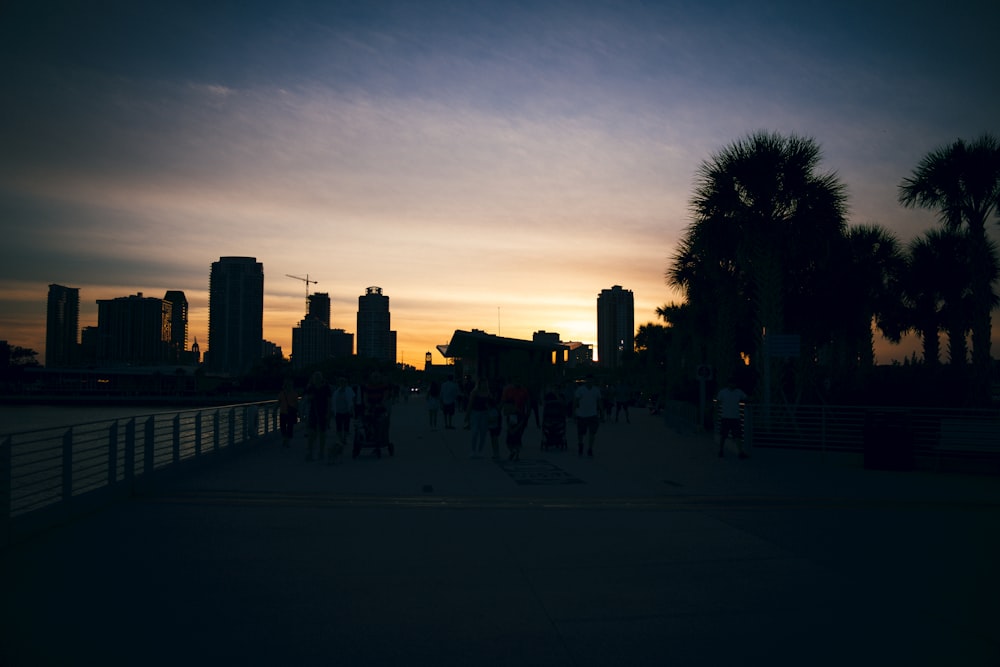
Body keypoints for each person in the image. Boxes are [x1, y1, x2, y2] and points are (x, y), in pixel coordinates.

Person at [716, 379, 749, 459]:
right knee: (723, 435)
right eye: (731, 383)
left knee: (737, 436)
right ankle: (721, 450)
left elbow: (746, 398)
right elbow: (718, 402)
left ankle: (740, 452)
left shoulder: (739, 392)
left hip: (735, 417)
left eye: (734, 383)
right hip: (725, 417)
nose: (733, 385)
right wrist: (716, 412)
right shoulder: (723, 392)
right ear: (728, 384)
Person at [304, 371, 332, 462]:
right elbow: (306, 399)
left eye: (318, 377)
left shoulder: (326, 387)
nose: (317, 379)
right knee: (312, 433)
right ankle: (310, 452)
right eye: (315, 378)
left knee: (322, 434)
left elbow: (329, 401)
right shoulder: (310, 387)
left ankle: (321, 452)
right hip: (313, 412)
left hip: (323, 412)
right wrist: (310, 397)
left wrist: (329, 413)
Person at [501, 378, 530, 460]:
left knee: (517, 434)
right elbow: (504, 401)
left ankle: (516, 451)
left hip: (520, 414)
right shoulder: (508, 390)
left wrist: (527, 413)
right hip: (511, 414)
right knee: (511, 435)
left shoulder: (524, 390)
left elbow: (528, 402)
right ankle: (514, 450)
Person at [574, 375, 602, 457]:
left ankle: (590, 448)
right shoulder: (580, 390)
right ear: (586, 381)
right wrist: (573, 412)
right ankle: (580, 445)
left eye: (591, 380)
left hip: (593, 414)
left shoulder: (596, 390)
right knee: (581, 433)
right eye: (588, 380)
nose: (590, 382)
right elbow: (575, 401)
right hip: (582, 414)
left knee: (592, 433)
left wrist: (602, 411)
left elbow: (599, 401)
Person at [331, 376, 355, 461]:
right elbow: (333, 402)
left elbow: (352, 400)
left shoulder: (349, 390)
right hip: (338, 411)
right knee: (339, 426)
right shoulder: (336, 391)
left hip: (346, 411)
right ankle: (341, 439)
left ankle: (344, 438)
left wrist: (352, 410)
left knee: (346, 425)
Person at [466, 378, 491, 458]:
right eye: (482, 383)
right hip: (475, 413)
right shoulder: (474, 392)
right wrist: (467, 415)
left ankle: (480, 451)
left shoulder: (488, 393)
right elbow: (470, 404)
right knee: (475, 432)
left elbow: (491, 404)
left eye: (485, 383)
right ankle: (473, 451)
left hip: (485, 413)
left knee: (483, 433)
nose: (483, 385)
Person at [277, 378, 299, 449]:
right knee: (283, 427)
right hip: (283, 412)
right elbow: (279, 402)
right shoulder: (282, 393)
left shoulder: (293, 393)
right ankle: (286, 439)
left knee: (289, 427)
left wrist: (297, 412)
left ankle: (287, 441)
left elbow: (296, 404)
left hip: (289, 413)